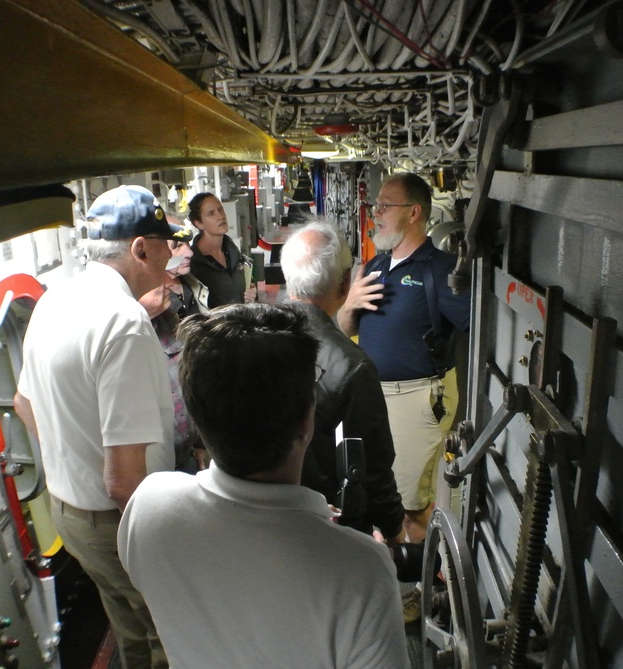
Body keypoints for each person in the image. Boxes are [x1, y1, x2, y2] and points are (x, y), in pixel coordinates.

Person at [118, 304, 410, 669]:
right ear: (307, 422)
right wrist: (357, 550)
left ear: (196, 416)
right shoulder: (361, 571)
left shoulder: (148, 506)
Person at [14, 184, 179, 669]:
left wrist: (72, 460)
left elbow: (25, 404)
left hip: (71, 514)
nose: (171, 253)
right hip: (119, 519)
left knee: (130, 629)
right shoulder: (123, 322)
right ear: (140, 248)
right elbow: (123, 480)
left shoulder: (54, 299)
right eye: (165, 242)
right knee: (170, 635)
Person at [338, 172, 471, 544]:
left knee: (411, 504)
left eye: (384, 206)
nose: (375, 213)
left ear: (413, 213)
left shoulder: (440, 270)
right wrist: (349, 306)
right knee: (380, 492)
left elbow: (479, 328)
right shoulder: (377, 266)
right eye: (375, 205)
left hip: (417, 399)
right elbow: (346, 328)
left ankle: (419, 590)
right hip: (372, 395)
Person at [280, 220, 405, 544]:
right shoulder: (351, 366)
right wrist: (393, 530)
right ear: (344, 283)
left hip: (255, 518)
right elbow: (374, 469)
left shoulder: (253, 337)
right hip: (323, 529)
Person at [138, 221, 207, 474]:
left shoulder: (168, 318)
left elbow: (188, 380)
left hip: (185, 457)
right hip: (150, 472)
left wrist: (199, 442)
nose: (166, 280)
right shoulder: (120, 335)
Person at [187, 191, 257, 307]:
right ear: (199, 224)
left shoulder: (234, 253)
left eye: (220, 209)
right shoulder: (193, 264)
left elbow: (243, 289)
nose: (220, 216)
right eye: (211, 213)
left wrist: (252, 293)